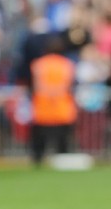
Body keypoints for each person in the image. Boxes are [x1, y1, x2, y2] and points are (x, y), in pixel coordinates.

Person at [27, 34, 78, 166]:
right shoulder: (67, 65)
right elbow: (69, 86)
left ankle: (37, 162)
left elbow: (35, 86)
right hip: (62, 110)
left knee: (39, 146)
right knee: (62, 145)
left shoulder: (38, 64)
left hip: (42, 110)